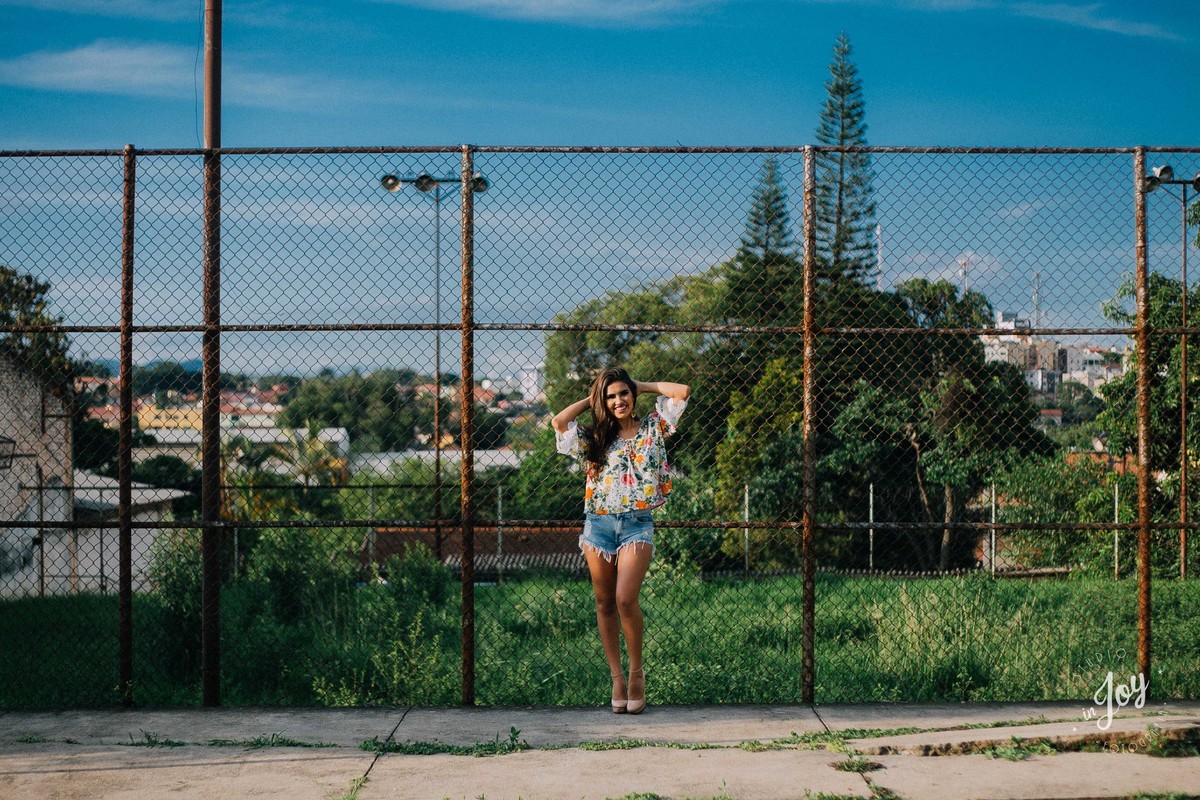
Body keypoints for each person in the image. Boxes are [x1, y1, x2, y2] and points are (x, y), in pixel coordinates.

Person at [551, 366, 691, 714]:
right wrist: (594, 397)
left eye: (623, 394)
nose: (619, 401)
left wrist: (637, 385)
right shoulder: (595, 438)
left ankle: (636, 672)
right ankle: (616, 678)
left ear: (632, 395)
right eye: (611, 397)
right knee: (604, 603)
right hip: (598, 525)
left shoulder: (653, 427)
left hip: (636, 524)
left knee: (625, 599)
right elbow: (558, 422)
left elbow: (682, 391)